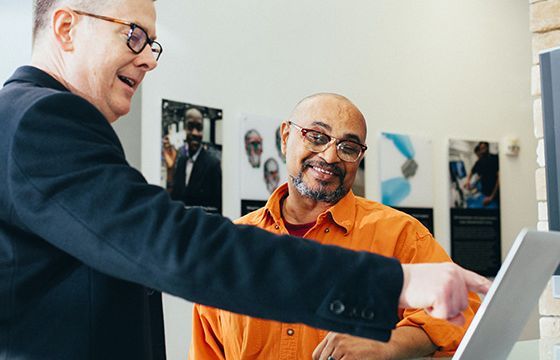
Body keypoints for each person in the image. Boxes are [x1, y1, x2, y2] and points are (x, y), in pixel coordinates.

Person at [0, 1, 490, 359]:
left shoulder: (25, 120)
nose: (148, 57)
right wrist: (392, 284)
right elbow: (176, 246)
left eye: (153, 44)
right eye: (133, 35)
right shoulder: (43, 120)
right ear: (66, 27)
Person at [190, 93, 481, 360]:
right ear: (285, 136)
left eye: (348, 147)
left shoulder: (400, 235)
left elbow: (463, 314)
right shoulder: (230, 248)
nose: (330, 157)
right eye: (316, 137)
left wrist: (389, 342)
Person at [171, 107, 222, 213]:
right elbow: (175, 198)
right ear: (184, 129)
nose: (194, 133)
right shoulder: (181, 161)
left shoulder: (213, 164)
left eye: (199, 128)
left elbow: (217, 208)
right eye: (190, 127)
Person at [465, 141, 500, 208]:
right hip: (485, 193)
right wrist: (468, 181)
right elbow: (472, 171)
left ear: (487, 148)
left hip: (495, 195)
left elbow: (499, 179)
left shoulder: (494, 158)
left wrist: (491, 197)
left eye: (484, 148)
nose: (482, 151)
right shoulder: (479, 162)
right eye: (481, 149)